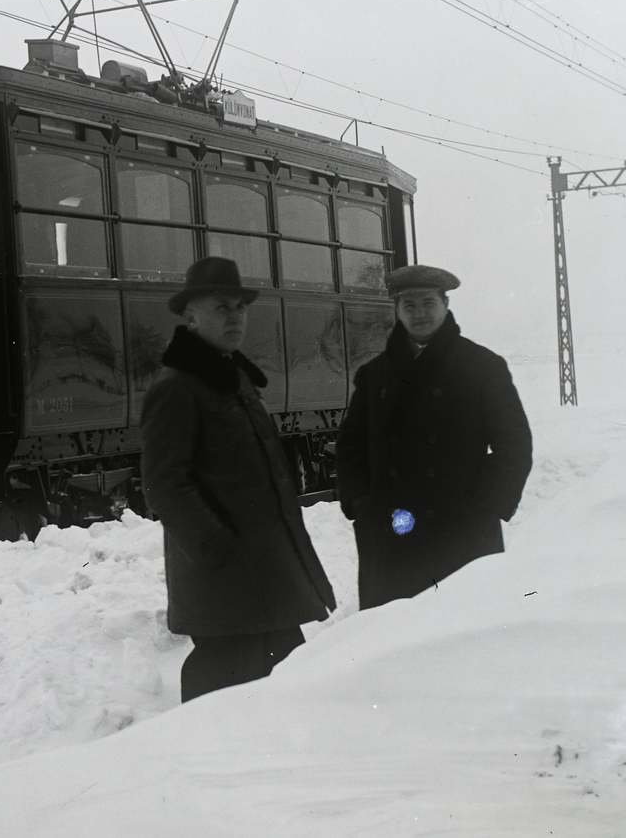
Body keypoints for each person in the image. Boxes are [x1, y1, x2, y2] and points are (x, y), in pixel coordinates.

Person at [140, 257, 337, 702]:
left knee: (284, 683)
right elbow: (163, 483)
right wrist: (216, 547)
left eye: (240, 307)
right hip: (226, 579)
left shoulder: (234, 378)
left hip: (264, 572)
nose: (235, 316)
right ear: (190, 315)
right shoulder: (176, 386)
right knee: (224, 692)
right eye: (222, 307)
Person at [335, 265, 533, 610]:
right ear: (397, 311)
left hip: (460, 531)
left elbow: (514, 444)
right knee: (391, 642)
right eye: (409, 305)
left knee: (460, 638)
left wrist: (484, 507)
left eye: (428, 303)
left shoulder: (482, 366)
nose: (419, 313)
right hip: (389, 534)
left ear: (445, 305)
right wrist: (360, 505)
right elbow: (351, 445)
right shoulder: (374, 374)